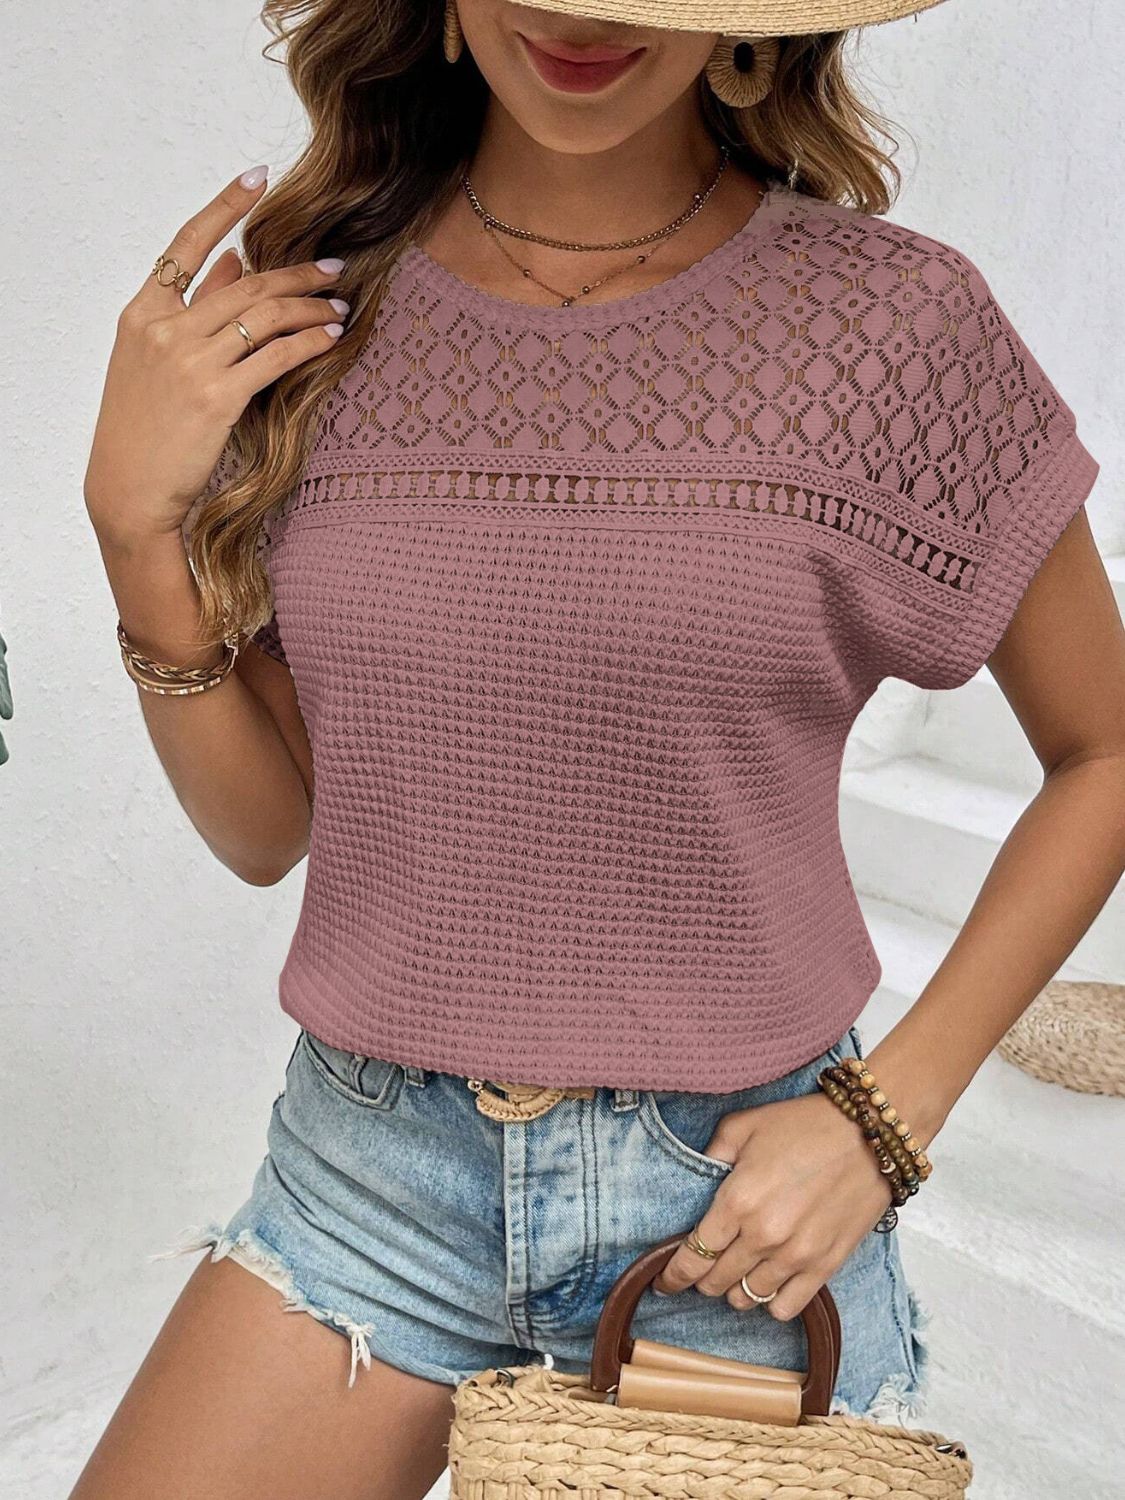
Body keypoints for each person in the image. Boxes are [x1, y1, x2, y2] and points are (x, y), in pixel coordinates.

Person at [75, 0, 1122, 1496]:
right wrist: (136, 532)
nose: (581, 12)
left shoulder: (898, 327)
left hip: (733, 1220)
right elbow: (267, 829)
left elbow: (1104, 751)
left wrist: (885, 1122)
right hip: (370, 1174)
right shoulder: (317, 314)